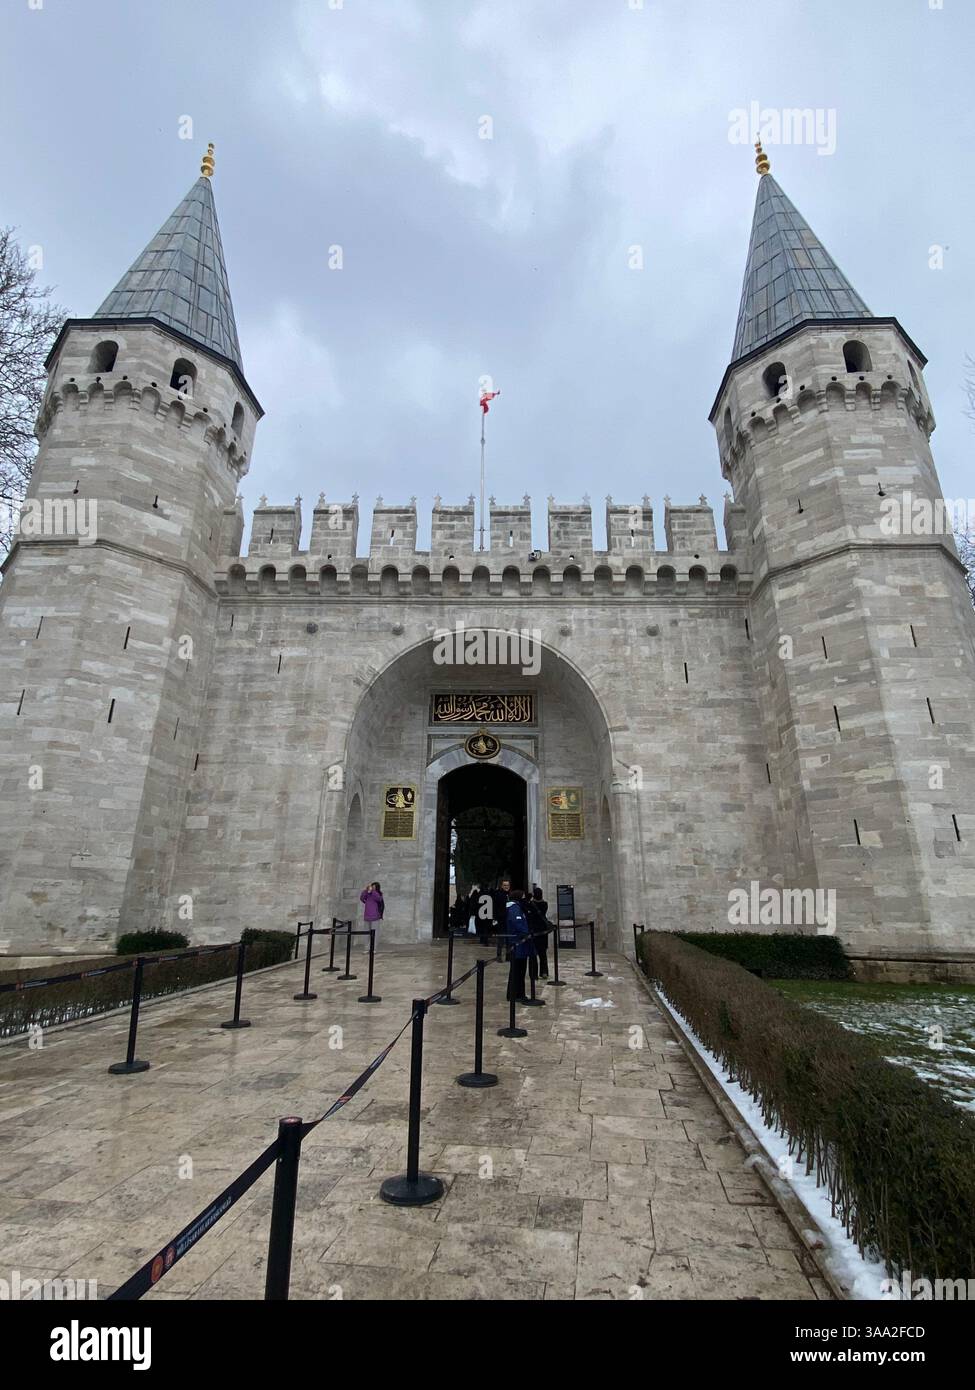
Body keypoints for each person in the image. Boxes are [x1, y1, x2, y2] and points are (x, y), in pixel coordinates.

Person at [504, 888, 535, 1004]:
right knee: (517, 971)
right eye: (522, 898)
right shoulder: (514, 909)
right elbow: (518, 923)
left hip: (521, 945)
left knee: (520, 971)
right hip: (518, 944)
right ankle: (514, 994)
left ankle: (519, 993)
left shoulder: (517, 908)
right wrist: (526, 933)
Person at [525, 884, 550, 979]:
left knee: (533, 953)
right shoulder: (545, 904)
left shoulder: (531, 905)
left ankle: (533, 973)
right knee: (543, 953)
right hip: (543, 931)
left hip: (534, 930)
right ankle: (544, 972)